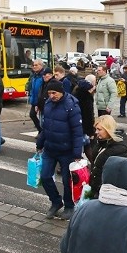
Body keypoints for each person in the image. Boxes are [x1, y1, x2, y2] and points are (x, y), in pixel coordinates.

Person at [36, 79, 84, 220]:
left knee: (67, 181)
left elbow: (77, 131)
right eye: (49, 93)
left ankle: (69, 206)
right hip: (50, 149)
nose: (51, 96)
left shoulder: (71, 106)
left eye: (54, 93)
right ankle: (56, 202)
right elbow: (45, 127)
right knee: (45, 176)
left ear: (61, 92)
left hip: (66, 151)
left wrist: (77, 153)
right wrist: (40, 143)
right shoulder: (48, 104)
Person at [89, 115, 127, 198]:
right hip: (97, 188)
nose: (96, 132)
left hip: (106, 193)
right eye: (96, 129)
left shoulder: (118, 150)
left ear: (108, 130)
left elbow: (116, 177)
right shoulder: (102, 141)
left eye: (99, 129)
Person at [73, 76, 96, 160]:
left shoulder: (75, 95)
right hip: (83, 127)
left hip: (76, 125)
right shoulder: (87, 98)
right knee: (86, 147)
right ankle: (93, 166)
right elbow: (89, 116)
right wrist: (91, 132)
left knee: (82, 147)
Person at [25, 60, 45, 131]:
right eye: (33, 65)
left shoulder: (43, 75)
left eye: (36, 65)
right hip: (34, 99)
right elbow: (31, 85)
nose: (34, 67)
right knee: (32, 115)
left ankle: (43, 133)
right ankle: (40, 131)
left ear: (41, 66)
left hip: (41, 100)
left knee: (43, 118)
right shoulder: (34, 75)